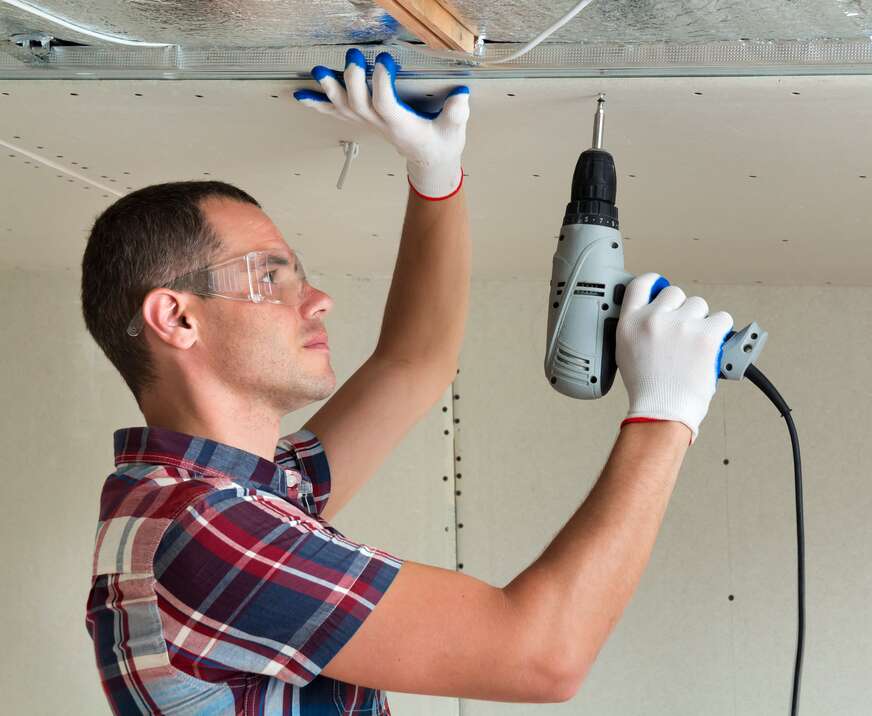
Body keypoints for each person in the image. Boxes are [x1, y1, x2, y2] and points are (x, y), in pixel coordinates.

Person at [81, 50, 733, 715]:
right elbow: (542, 655)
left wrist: (435, 175)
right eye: (270, 278)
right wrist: (666, 413)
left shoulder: (228, 496)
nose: (318, 300)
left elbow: (414, 363)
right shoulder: (204, 532)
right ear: (177, 317)